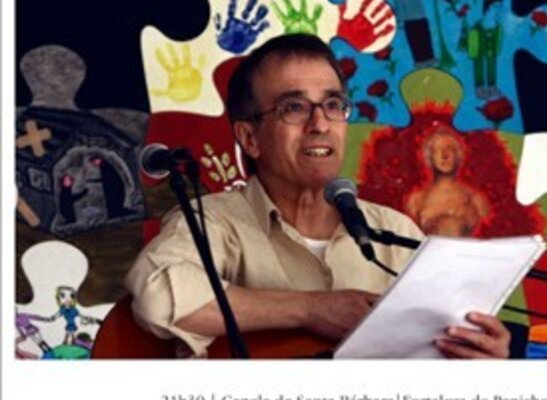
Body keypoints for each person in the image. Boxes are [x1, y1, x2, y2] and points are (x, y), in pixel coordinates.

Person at [125, 33, 510, 359]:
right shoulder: (213, 221)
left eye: (332, 104)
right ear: (249, 138)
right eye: (294, 107)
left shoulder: (394, 231)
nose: (320, 123)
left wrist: (477, 359)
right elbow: (158, 296)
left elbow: (432, 357)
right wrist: (311, 309)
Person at [406, 124, 490, 236]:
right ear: (430, 157)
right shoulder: (416, 200)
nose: (444, 155)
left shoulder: (475, 199)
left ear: (458, 156)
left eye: (450, 149)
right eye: (437, 150)